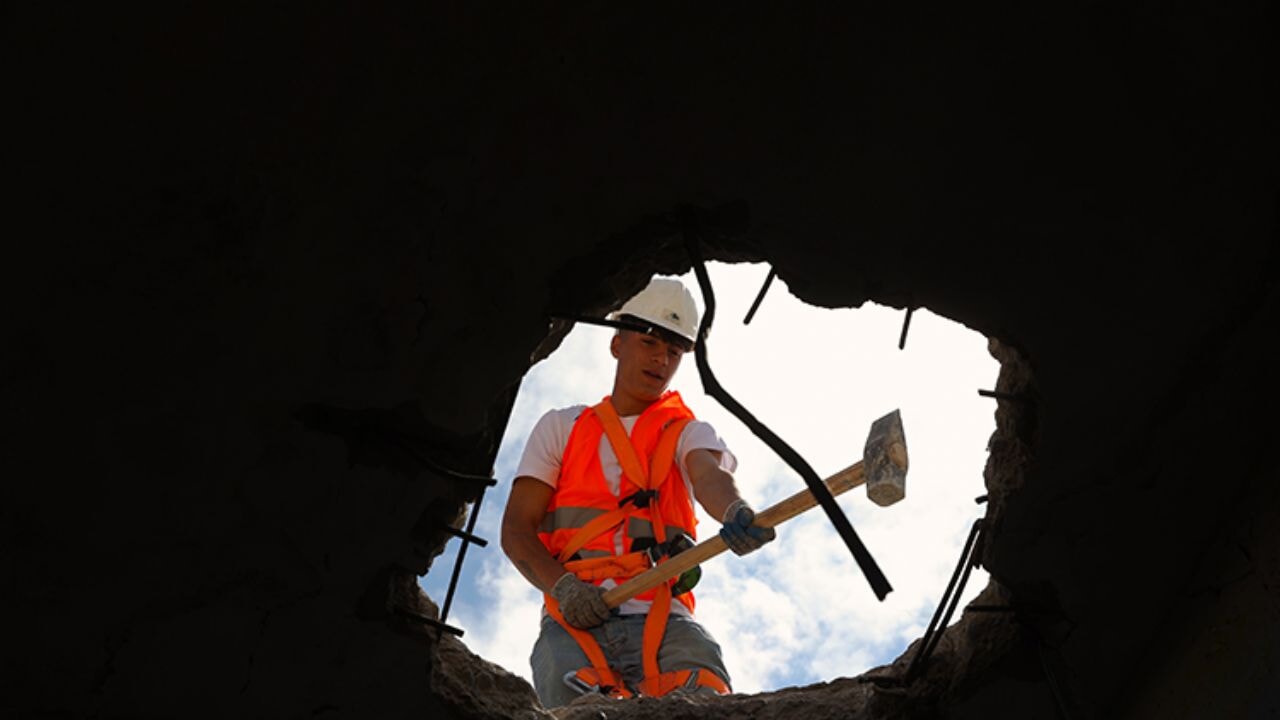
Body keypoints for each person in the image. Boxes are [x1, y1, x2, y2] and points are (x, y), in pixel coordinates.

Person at [500, 277, 777, 707]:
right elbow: (517, 530)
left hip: (665, 617)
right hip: (572, 620)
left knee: (707, 700)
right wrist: (565, 589)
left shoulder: (686, 430)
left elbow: (710, 477)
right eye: (649, 342)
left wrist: (735, 510)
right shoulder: (561, 427)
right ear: (617, 343)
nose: (661, 359)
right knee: (570, 704)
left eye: (674, 351)